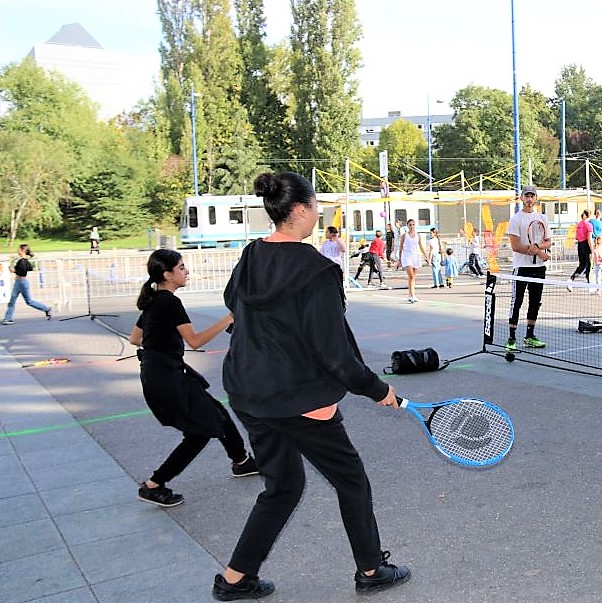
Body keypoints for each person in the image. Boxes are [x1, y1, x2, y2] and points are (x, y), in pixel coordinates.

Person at [217, 171, 410, 601]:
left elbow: (235, 304)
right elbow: (335, 354)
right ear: (300, 210)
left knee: (284, 486)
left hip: (248, 392)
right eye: (316, 204)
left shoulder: (250, 256)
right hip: (296, 399)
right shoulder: (317, 270)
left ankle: (235, 578)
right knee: (351, 480)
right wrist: (379, 390)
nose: (319, 212)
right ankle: (372, 569)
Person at [127, 249, 257, 509]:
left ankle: (241, 462)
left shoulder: (155, 300)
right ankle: (154, 485)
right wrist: (230, 318)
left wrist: (162, 344)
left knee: (217, 412)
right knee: (199, 433)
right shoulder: (168, 302)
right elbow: (195, 341)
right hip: (166, 379)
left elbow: (135, 338)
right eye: (182, 267)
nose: (186, 271)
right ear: (167, 274)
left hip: (163, 374)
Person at [505, 184, 551, 351]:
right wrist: (539, 252)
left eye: (532, 196)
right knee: (516, 302)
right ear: (521, 198)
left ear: (536, 198)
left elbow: (548, 241)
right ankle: (511, 338)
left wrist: (538, 246)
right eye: (527, 196)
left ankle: (530, 335)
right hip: (521, 268)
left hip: (539, 269)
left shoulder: (543, 218)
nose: (529, 199)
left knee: (535, 302)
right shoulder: (516, 219)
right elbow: (516, 246)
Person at [2, 244, 52, 325]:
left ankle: (46, 308)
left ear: (22, 250)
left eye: (18, 249)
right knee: (12, 301)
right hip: (18, 282)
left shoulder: (22, 261)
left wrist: (13, 270)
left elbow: (23, 273)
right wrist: (14, 267)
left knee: (29, 301)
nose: (17, 251)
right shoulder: (23, 260)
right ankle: (8, 318)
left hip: (21, 283)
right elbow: (30, 268)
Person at [397, 218, 426, 303]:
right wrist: (399, 259)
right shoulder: (404, 235)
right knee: (411, 276)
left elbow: (421, 246)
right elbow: (401, 247)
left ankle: (410, 295)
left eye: (413, 225)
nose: (412, 226)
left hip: (415, 256)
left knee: (413, 277)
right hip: (407, 256)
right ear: (407, 226)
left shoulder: (418, 235)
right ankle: (412, 295)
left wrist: (426, 256)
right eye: (410, 225)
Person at [567, 209, 594, 287]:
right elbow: (589, 238)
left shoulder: (579, 224)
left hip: (580, 244)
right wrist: (592, 249)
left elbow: (576, 237)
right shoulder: (589, 225)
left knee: (582, 264)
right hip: (586, 244)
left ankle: (571, 279)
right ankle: (589, 282)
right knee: (589, 264)